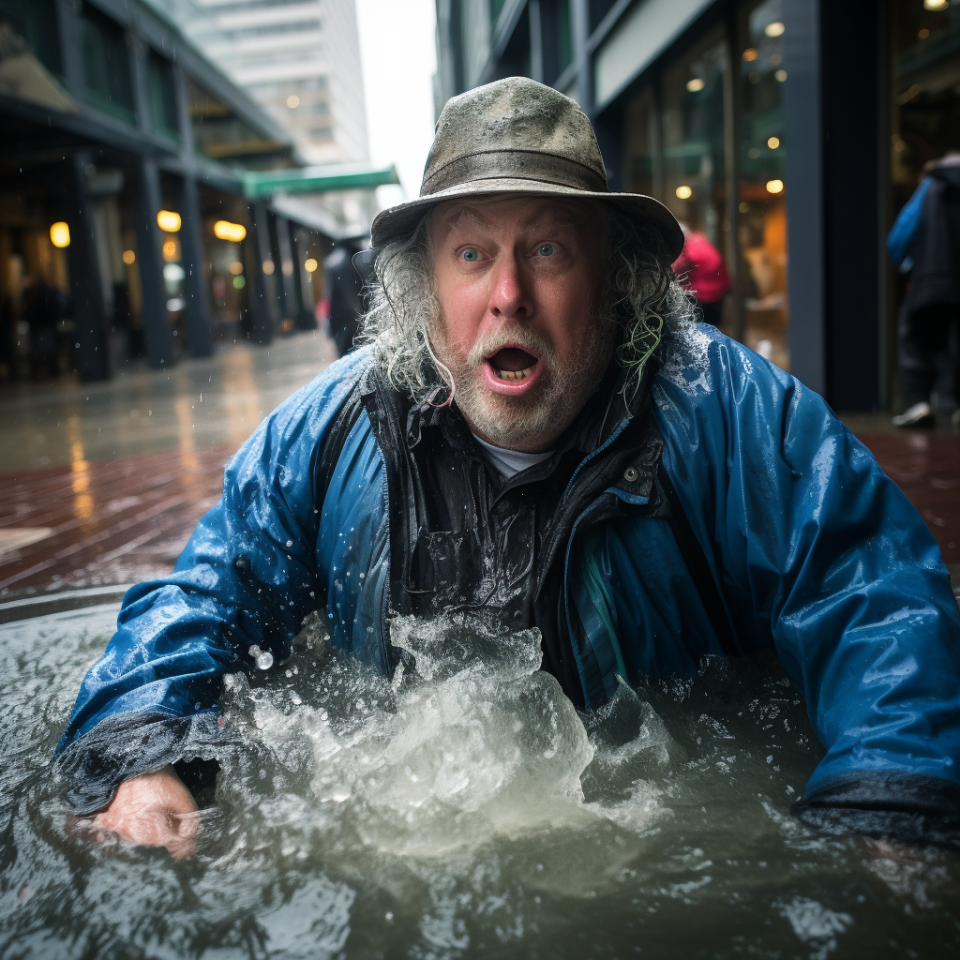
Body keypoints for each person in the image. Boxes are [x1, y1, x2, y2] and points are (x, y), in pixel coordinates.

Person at [59, 78, 960, 857]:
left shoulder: (737, 415)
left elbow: (873, 599)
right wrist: (143, 756)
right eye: (472, 253)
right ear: (425, 288)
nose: (508, 294)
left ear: (612, 278)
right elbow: (206, 594)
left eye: (549, 249)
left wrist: (891, 804)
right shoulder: (328, 432)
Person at [888, 152, 960, 429]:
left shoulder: (931, 184)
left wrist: (909, 263)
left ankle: (919, 403)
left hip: (933, 277)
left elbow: (899, 236)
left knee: (914, 337)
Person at [672, 222, 730, 327]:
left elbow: (676, 269)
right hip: (717, 293)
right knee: (713, 328)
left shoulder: (688, 248)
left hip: (703, 295)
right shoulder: (700, 242)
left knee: (700, 329)